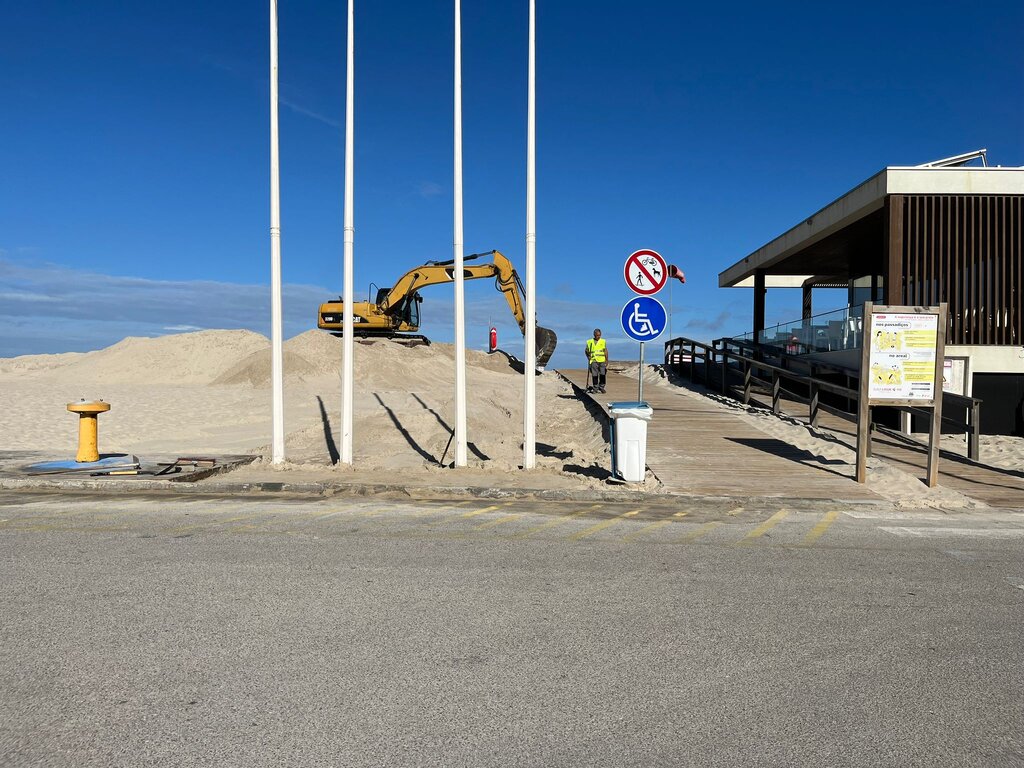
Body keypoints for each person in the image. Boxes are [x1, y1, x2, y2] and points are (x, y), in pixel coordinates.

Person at [585, 328, 608, 393]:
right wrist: (588, 357)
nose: (598, 337)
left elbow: (605, 351)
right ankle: (595, 388)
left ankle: (602, 387)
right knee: (594, 375)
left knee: (603, 374)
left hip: (601, 360)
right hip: (593, 360)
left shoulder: (603, 341)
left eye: (599, 335)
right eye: (597, 335)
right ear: (594, 335)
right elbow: (586, 351)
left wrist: (607, 360)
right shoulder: (589, 342)